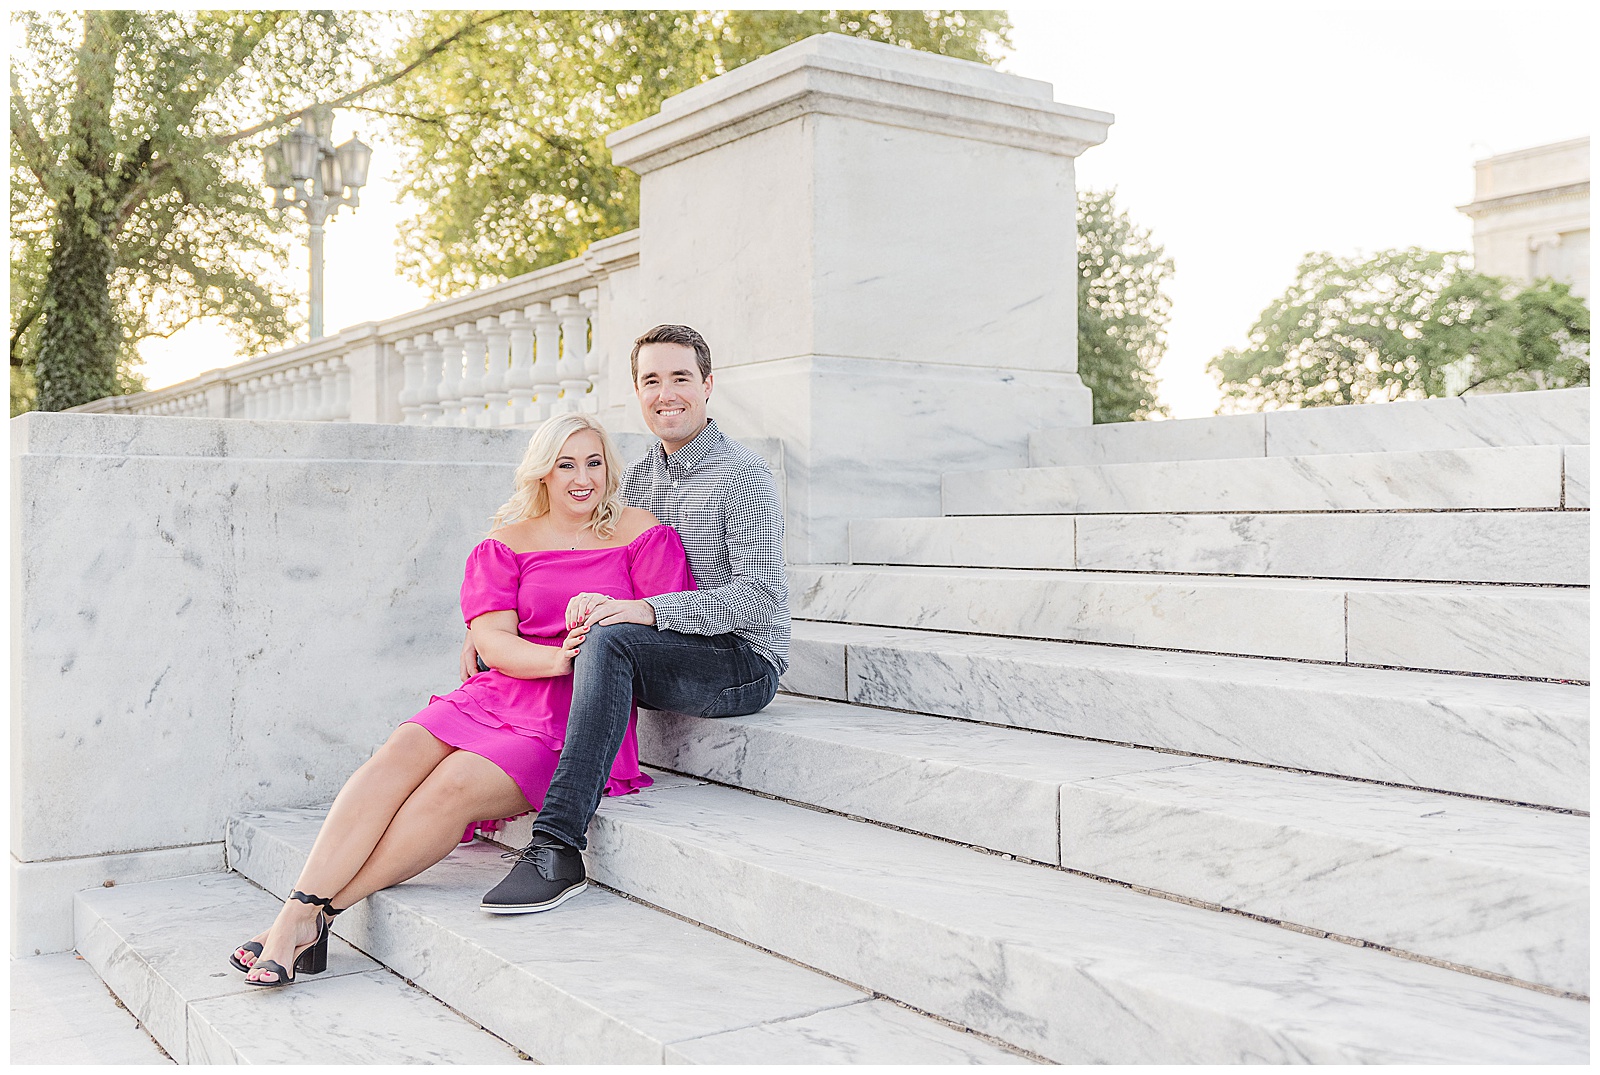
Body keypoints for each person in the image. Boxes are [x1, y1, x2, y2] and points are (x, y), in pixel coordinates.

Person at [228, 412, 692, 986]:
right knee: (399, 751)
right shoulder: (506, 543)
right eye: (565, 465)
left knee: (452, 784)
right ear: (542, 473)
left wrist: (588, 653)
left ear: (609, 468)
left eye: (594, 463)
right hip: (501, 690)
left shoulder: (645, 536)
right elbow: (493, 640)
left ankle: (314, 916)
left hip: (579, 712)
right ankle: (298, 913)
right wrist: (557, 658)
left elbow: (663, 627)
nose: (582, 478)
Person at [473, 323, 790, 914]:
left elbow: (760, 598)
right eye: (651, 381)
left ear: (707, 385)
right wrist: (489, 629)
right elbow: (571, 552)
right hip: (657, 647)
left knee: (610, 640)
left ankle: (557, 844)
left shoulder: (744, 476)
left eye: (680, 378)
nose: (665, 394)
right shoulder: (635, 477)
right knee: (591, 641)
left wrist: (647, 609)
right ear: (638, 391)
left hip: (740, 660)